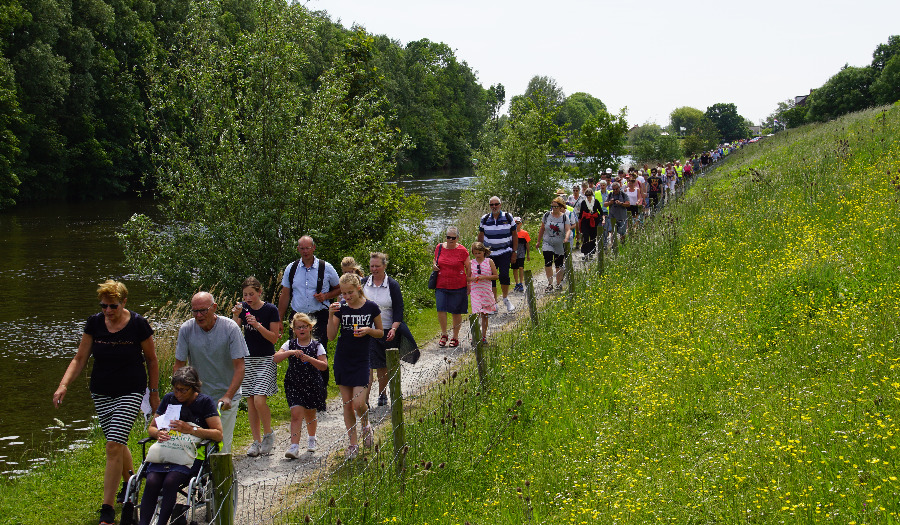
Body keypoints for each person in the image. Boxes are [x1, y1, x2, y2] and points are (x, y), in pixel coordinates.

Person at [53, 280, 159, 525]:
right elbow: (80, 358)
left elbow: (152, 360)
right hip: (101, 392)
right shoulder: (94, 323)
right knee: (117, 441)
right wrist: (63, 385)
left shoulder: (138, 324)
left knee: (113, 444)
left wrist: (153, 393)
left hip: (131, 390)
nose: (108, 311)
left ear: (123, 302)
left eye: (113, 306)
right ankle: (130, 481)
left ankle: (107, 511)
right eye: (104, 306)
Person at [140, 367, 222, 525]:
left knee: (171, 481)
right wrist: (157, 434)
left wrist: (190, 429)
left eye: (183, 390)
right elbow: (152, 427)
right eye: (176, 389)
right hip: (166, 451)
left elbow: (218, 434)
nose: (178, 394)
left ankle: (162, 522)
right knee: (151, 481)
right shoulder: (169, 399)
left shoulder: (204, 402)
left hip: (190, 455)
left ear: (194, 388)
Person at [174, 291, 248, 453]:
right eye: (195, 311)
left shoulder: (230, 328)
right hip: (198, 398)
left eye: (203, 310)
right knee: (194, 446)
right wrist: (178, 393)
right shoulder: (187, 329)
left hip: (225, 397)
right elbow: (179, 365)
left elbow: (240, 367)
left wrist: (228, 395)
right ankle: (202, 478)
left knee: (220, 446)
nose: (199, 315)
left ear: (214, 308)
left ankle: (224, 477)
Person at [328, 273, 384, 459]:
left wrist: (368, 330)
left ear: (358, 288)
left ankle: (366, 425)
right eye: (343, 293)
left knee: (358, 403)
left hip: (362, 360)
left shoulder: (371, 307)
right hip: (343, 358)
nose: (346, 297)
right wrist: (330, 315)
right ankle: (353, 444)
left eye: (350, 292)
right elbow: (330, 336)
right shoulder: (341, 309)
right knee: (347, 404)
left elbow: (380, 333)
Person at [231, 277, 280, 457]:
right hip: (247, 359)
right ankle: (255, 441)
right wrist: (236, 316)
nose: (248, 297)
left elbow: (274, 338)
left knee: (260, 400)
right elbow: (234, 333)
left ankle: (268, 435)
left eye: (252, 294)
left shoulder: (270, 310)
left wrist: (257, 325)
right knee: (251, 402)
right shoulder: (243, 309)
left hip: (266, 358)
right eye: (245, 295)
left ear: (260, 292)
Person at [364, 252, 418, 407]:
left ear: (384, 266)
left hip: (387, 331)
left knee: (382, 365)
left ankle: (382, 393)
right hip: (367, 331)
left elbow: (398, 310)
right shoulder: (363, 283)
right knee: (367, 366)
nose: (374, 269)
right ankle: (364, 400)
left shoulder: (392, 285)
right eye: (372, 266)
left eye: (377, 266)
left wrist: (394, 329)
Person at [274, 313, 327, 458]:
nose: (301, 330)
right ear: (294, 330)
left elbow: (324, 366)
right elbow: (276, 358)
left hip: (312, 384)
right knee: (296, 414)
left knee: (310, 413)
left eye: (304, 327)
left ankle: (311, 438)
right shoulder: (289, 344)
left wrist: (309, 359)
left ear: (310, 328)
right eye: (298, 328)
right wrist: (291, 352)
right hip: (293, 383)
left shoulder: (317, 345)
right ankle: (294, 446)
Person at [278, 235, 341, 355]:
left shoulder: (326, 267)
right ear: (298, 249)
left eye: (308, 248)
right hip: (297, 317)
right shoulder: (291, 268)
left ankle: (321, 374)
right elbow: (285, 295)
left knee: (320, 353)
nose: (305, 251)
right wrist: (279, 319)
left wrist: (326, 296)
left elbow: (340, 289)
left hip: (320, 316)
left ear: (314, 248)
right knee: (296, 352)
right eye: (302, 248)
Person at [477, 196, 518, 312]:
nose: (494, 207)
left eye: (496, 204)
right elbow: (481, 235)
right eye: (492, 205)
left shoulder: (508, 217)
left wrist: (514, 252)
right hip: (489, 254)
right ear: (489, 206)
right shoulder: (484, 219)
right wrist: (479, 253)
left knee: (504, 275)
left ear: (500, 204)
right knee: (491, 278)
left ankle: (505, 299)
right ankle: (493, 303)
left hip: (505, 251)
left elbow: (515, 235)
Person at [433, 226, 470, 348]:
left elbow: (468, 268)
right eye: (448, 237)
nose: (450, 240)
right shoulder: (439, 247)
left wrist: (468, 283)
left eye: (453, 238)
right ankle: (444, 334)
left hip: (458, 285)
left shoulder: (463, 251)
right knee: (441, 309)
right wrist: (434, 265)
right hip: (441, 283)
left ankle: (455, 336)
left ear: (457, 238)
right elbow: (435, 260)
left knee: (456, 312)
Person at [536, 196, 572, 292]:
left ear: (560, 207)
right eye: (552, 206)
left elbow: (568, 229)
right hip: (547, 241)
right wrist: (538, 241)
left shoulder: (564, 217)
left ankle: (558, 283)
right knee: (548, 262)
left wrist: (566, 238)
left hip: (559, 243)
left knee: (558, 265)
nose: (554, 208)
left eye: (556, 206)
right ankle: (550, 284)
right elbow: (542, 228)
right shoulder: (547, 215)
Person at [468, 242, 498, 343]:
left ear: (483, 252)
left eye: (479, 253)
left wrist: (484, 277)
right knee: (476, 313)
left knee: (484, 314)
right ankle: (475, 335)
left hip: (486, 291)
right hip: (475, 290)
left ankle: (484, 336)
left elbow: (496, 276)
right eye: (475, 253)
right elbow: (467, 277)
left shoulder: (489, 261)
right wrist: (473, 279)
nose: (477, 255)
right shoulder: (471, 263)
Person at [577, 188, 603, 258]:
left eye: (589, 195)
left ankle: (591, 251)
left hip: (594, 221)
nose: (588, 197)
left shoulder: (596, 201)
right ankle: (585, 252)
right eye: (587, 195)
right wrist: (579, 222)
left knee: (593, 237)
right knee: (585, 237)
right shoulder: (583, 202)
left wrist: (601, 219)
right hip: (585, 221)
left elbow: (600, 211)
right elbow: (581, 213)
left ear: (592, 195)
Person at [511, 217, 531, 292]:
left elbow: (527, 244)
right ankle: (517, 283)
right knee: (514, 268)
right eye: (515, 224)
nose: (516, 225)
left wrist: (528, 255)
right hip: (514, 253)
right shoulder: (511, 233)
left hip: (521, 253)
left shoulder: (524, 233)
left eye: (518, 224)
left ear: (521, 224)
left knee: (521, 268)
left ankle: (521, 282)